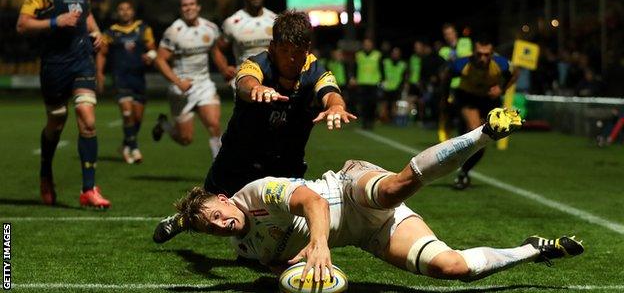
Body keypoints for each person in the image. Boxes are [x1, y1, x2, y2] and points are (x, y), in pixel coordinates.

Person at [173, 108, 583, 283]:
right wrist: (291, 268)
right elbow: (274, 262)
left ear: (224, 199)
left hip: (348, 188)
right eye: (211, 228)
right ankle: (532, 249)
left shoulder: (256, 193)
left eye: (215, 214)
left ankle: (484, 133)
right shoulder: (243, 249)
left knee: (392, 189)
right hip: (369, 236)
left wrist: (316, 245)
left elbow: (311, 202)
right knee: (451, 268)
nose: (219, 224)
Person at [153, 10, 356, 243]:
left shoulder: (315, 70)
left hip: (285, 160)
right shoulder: (256, 64)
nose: (291, 59)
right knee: (208, 208)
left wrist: (336, 107)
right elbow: (244, 83)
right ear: (272, 47)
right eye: (285, 51)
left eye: (297, 52)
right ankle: (181, 220)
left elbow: (330, 92)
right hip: (239, 155)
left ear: (307, 49)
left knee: (281, 225)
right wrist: (256, 89)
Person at [15, 0, 110, 208]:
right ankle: (46, 172)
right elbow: (22, 25)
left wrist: (96, 32)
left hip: (82, 62)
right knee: (56, 121)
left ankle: (89, 189)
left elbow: (87, 16)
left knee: (87, 120)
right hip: (55, 65)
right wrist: (56, 21)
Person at [151, 0, 225, 159]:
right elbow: (160, 60)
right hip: (182, 88)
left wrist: (225, 70)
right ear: (180, 9)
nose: (189, 8)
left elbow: (215, 52)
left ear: (198, 7)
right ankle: (164, 124)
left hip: (204, 84)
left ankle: (218, 173)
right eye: (185, 5)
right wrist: (178, 82)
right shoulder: (174, 31)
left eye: (192, 4)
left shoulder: (210, 28)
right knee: (185, 139)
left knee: (214, 125)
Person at [440, 35, 517, 190]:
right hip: (467, 98)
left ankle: (464, 172)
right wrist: (445, 98)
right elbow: (446, 76)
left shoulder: (500, 64)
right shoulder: (462, 64)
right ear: (474, 53)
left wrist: (501, 89)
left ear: (492, 53)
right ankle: (460, 168)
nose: (483, 58)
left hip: (488, 100)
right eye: (479, 54)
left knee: (483, 140)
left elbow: (515, 74)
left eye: (487, 54)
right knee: (477, 132)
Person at [96, 1, 156, 164]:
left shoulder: (143, 28)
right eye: (121, 9)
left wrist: (150, 56)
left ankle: (125, 145)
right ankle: (135, 148)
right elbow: (102, 54)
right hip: (120, 78)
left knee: (137, 118)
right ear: (117, 13)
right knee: (127, 113)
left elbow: (152, 49)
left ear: (133, 11)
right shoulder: (111, 32)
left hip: (138, 78)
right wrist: (99, 73)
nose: (125, 12)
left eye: (128, 9)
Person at [212, 0, 277, 88]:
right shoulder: (232, 22)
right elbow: (217, 48)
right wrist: (224, 69)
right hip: (244, 80)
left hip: (272, 80)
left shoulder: (275, 20)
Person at [438, 23, 473, 142]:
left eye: (450, 33)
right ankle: (448, 140)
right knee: (449, 114)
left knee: (464, 113)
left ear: (455, 33)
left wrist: (454, 58)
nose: (448, 36)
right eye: (446, 34)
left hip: (465, 84)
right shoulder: (443, 50)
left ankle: (464, 138)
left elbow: (467, 57)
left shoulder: (465, 42)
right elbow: (443, 67)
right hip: (451, 86)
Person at [353, 38, 383, 129]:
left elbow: (381, 68)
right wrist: (353, 77)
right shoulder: (359, 55)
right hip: (362, 83)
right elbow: (355, 67)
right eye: (365, 44)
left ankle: (371, 121)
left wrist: (383, 79)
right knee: (363, 104)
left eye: (369, 44)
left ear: (372, 45)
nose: (367, 46)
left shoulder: (378, 55)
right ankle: (365, 122)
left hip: (374, 83)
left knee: (372, 104)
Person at [381, 46, 407, 123]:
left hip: (397, 87)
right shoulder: (386, 62)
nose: (395, 54)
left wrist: (403, 84)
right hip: (386, 86)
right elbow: (381, 72)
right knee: (384, 104)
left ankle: (393, 119)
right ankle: (383, 119)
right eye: (394, 53)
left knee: (394, 104)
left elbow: (405, 76)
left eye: (397, 53)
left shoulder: (403, 64)